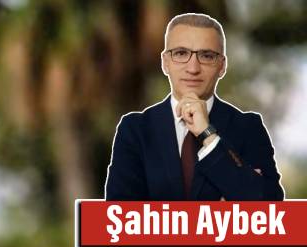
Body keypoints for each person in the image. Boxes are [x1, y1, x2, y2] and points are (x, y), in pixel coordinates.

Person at [104, 13, 283, 201]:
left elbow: (270, 209)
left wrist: (208, 135)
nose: (193, 68)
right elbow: (119, 216)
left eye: (206, 55)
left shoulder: (248, 128)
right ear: (165, 63)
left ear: (222, 66)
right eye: (181, 53)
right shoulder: (135, 130)